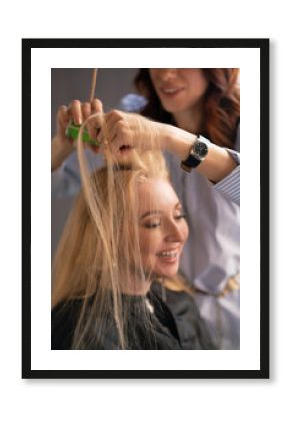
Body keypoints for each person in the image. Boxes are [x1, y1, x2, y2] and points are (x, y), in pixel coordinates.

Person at [51, 68, 240, 349]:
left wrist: (167, 138)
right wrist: (63, 146)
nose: (165, 73)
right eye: (152, 222)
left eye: (179, 215)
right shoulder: (132, 116)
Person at [52, 136, 215, 350]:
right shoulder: (80, 332)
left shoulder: (182, 304)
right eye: (153, 223)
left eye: (178, 215)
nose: (178, 234)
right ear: (108, 238)